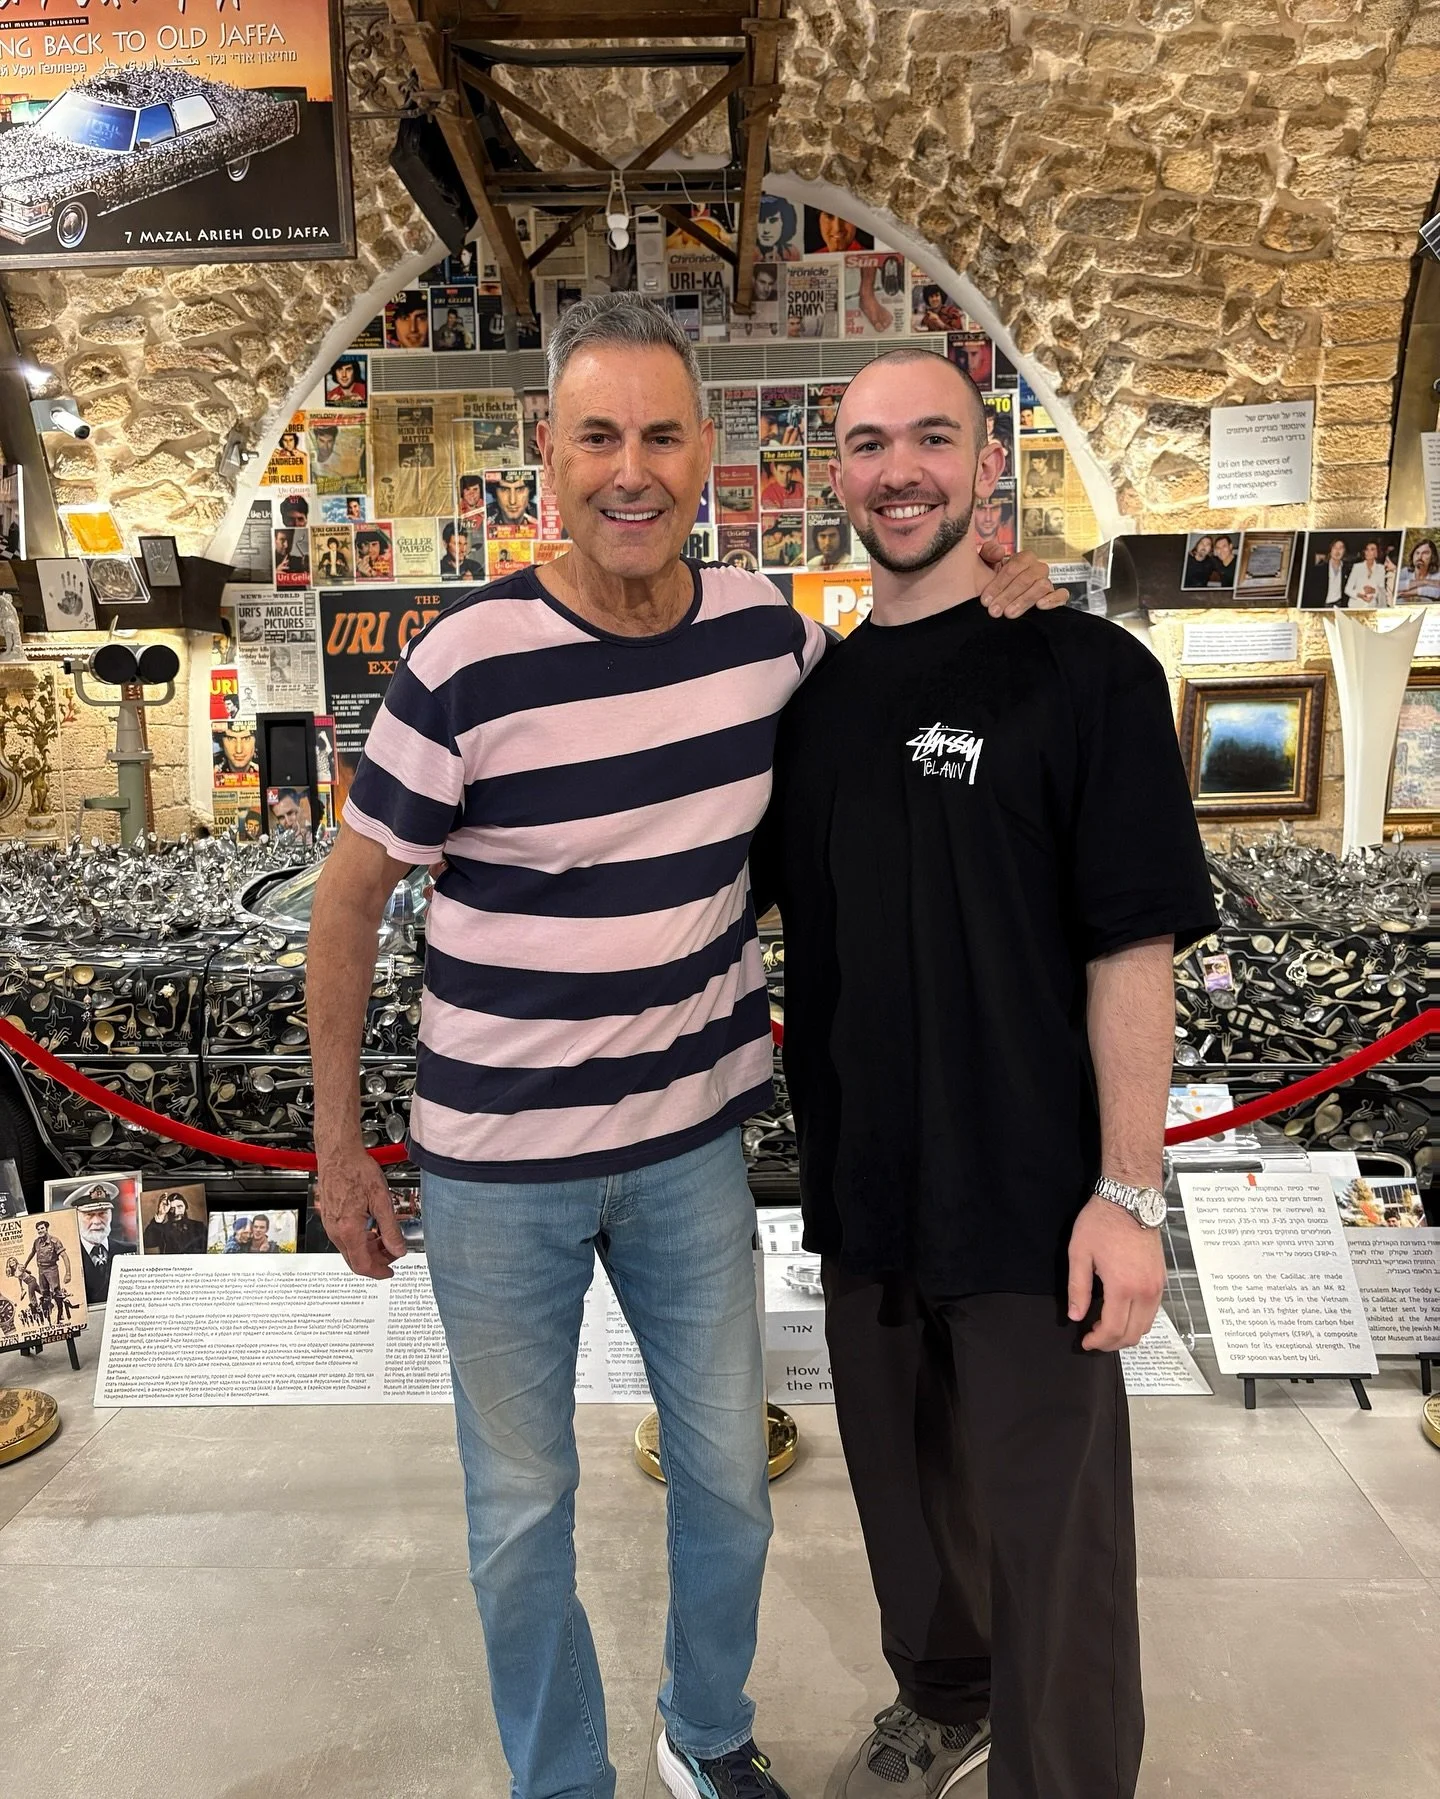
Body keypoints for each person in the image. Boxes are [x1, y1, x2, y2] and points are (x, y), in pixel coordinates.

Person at [307, 294, 1060, 1799]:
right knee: (522, 1504)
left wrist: (1001, 586)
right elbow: (349, 897)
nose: (631, 470)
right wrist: (337, 1141)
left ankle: (704, 1729)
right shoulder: (465, 660)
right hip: (497, 1169)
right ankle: (561, 1778)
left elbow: (892, 687)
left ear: (707, 451)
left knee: (729, 1474)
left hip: (687, 1150)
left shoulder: (764, 635)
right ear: (549, 453)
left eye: (661, 435)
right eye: (598, 437)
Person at [752, 347, 1217, 1799]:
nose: (900, 470)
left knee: (1050, 1536)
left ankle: (1065, 1775)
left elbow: (1133, 941)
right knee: (906, 1504)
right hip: (866, 1186)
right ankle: (945, 1700)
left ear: (986, 465)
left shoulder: (1084, 671)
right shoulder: (813, 703)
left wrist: (1128, 1191)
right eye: (869, 443)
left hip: (1032, 1196)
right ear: (834, 472)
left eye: (932, 439)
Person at [486, 470, 538, 536]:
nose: (512, 501)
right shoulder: (485, 516)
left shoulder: (540, 515)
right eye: (504, 489)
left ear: (530, 490)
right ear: (494, 491)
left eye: (520, 489)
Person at [1346, 538, 1391, 608]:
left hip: (1371, 606)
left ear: (1377, 553)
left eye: (1372, 549)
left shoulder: (1381, 569)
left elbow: (1381, 590)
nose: (1368, 552)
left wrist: (1373, 591)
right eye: (1367, 549)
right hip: (1355, 605)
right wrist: (1360, 595)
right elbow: (1347, 589)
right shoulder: (1357, 567)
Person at [1396, 536, 1440, 601]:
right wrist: (1425, 582)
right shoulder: (1406, 571)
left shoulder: (1437, 574)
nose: (1419, 557)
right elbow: (1395, 585)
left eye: (1425, 553)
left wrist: (1409, 593)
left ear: (1433, 557)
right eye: (1417, 553)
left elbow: (1437, 592)